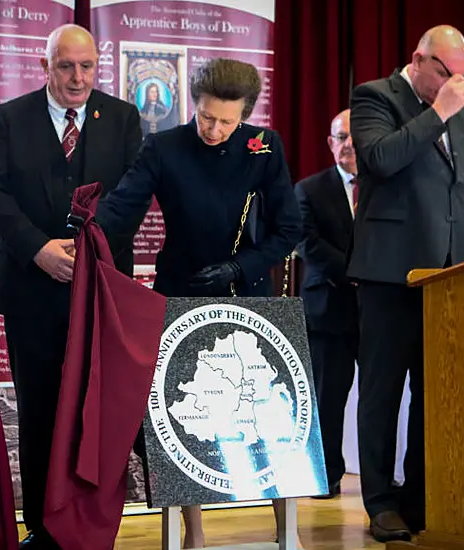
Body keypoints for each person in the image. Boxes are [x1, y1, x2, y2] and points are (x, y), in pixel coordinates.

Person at [95, 57, 302, 549]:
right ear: (195, 104)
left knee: (268, 418)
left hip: (248, 293)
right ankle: (194, 534)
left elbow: (289, 229)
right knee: (181, 417)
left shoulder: (264, 147)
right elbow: (123, 206)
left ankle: (286, 532)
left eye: (226, 122)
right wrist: (85, 228)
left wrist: (241, 267)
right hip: (181, 290)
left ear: (245, 115)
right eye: (206, 117)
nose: (213, 129)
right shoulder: (164, 147)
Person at [0, 24, 142, 549]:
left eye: (87, 66)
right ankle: (43, 528)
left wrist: (92, 250)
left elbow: (132, 198)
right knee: (40, 407)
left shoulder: (121, 118)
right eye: (66, 66)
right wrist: (39, 250)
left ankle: (89, 524)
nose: (78, 77)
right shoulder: (12, 117)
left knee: (95, 408)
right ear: (45, 66)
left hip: (99, 291)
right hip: (31, 289)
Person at [347, 25, 464, 542]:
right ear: (418, 59)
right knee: (381, 393)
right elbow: (380, 159)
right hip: (389, 273)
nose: (458, 86)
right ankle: (379, 502)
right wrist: (437, 111)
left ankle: (420, 497)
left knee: (434, 395)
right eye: (447, 73)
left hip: (450, 277)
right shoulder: (375, 97)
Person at [293, 108, 358, 499]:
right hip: (329, 307)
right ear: (330, 144)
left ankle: (382, 481)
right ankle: (325, 476)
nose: (349, 143)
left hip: (376, 310)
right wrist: (357, 269)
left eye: (355, 135)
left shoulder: (386, 188)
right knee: (327, 398)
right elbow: (306, 243)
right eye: (341, 136)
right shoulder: (309, 189)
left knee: (377, 402)